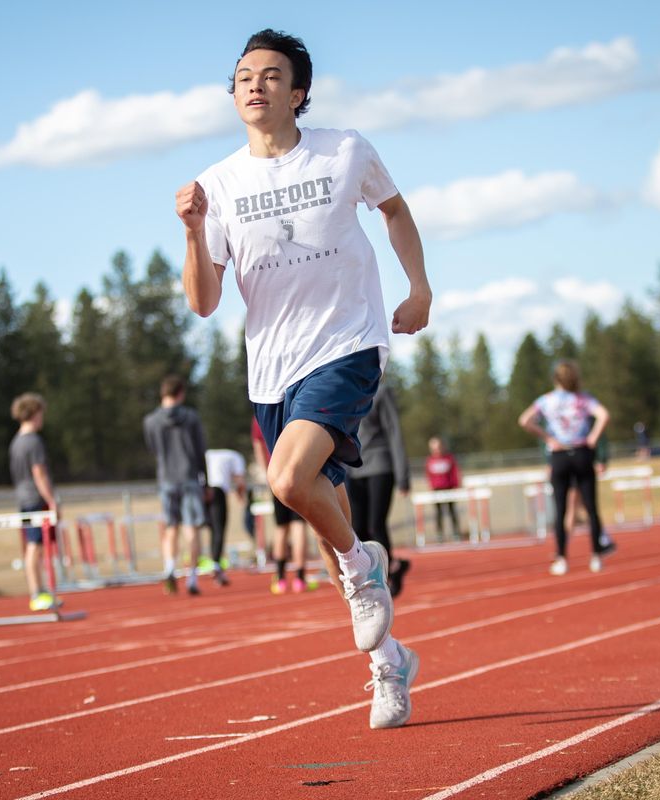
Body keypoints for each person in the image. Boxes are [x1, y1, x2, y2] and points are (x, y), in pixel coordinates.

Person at [175, 29, 431, 729]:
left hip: (348, 345)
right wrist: (195, 231)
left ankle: (364, 568)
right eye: (243, 77)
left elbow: (396, 211)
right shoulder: (219, 184)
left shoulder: (345, 150)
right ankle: (390, 665)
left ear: (299, 92)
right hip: (271, 373)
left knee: (287, 483)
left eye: (270, 75)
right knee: (322, 523)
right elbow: (203, 301)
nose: (254, 85)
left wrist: (419, 287)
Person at [518, 361, 614, 576]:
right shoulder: (583, 399)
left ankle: (561, 558)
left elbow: (524, 420)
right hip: (581, 453)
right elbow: (604, 415)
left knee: (560, 509)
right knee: (591, 507)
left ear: (555, 379)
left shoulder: (547, 401)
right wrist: (592, 438)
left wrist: (548, 438)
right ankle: (596, 556)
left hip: (559, 456)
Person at [144, 375, 209, 595]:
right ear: (181, 393)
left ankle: (170, 568)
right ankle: (192, 578)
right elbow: (201, 451)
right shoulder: (191, 417)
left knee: (171, 527)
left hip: (166, 479)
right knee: (192, 529)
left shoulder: (151, 421)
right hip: (189, 477)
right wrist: (205, 480)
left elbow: (153, 449)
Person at [347, 383, 412, 597]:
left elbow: (394, 432)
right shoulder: (340, 392)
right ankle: (387, 569)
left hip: (380, 466)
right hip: (351, 470)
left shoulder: (381, 392)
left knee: (376, 525)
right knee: (358, 528)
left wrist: (402, 475)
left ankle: (385, 578)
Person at [9, 393, 62, 611]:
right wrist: (52, 500)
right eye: (41, 413)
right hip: (34, 498)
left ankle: (39, 591)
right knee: (35, 546)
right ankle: (36, 592)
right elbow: (39, 473)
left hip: (23, 497)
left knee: (36, 546)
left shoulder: (16, 442)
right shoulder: (33, 442)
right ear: (33, 413)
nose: (43, 418)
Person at [252, 416, 310, 592]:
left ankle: (281, 580)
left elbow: (258, 446)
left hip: (276, 474)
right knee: (298, 524)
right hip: (296, 472)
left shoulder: (261, 411)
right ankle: (300, 579)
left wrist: (267, 472)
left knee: (281, 527)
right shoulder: (295, 405)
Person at [205, 446, 248, 585]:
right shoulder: (236, 457)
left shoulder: (208, 454)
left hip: (200, 490)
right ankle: (216, 566)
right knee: (218, 530)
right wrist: (241, 497)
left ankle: (209, 565)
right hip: (217, 491)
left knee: (209, 529)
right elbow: (239, 481)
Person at [425, 436, 463, 540]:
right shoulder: (430, 460)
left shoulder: (449, 458)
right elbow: (429, 475)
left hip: (449, 488)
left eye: (438, 447)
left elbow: (455, 472)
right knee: (438, 513)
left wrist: (456, 484)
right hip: (436, 489)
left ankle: (456, 532)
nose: (436, 450)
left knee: (452, 511)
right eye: (434, 448)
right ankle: (439, 534)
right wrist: (431, 486)